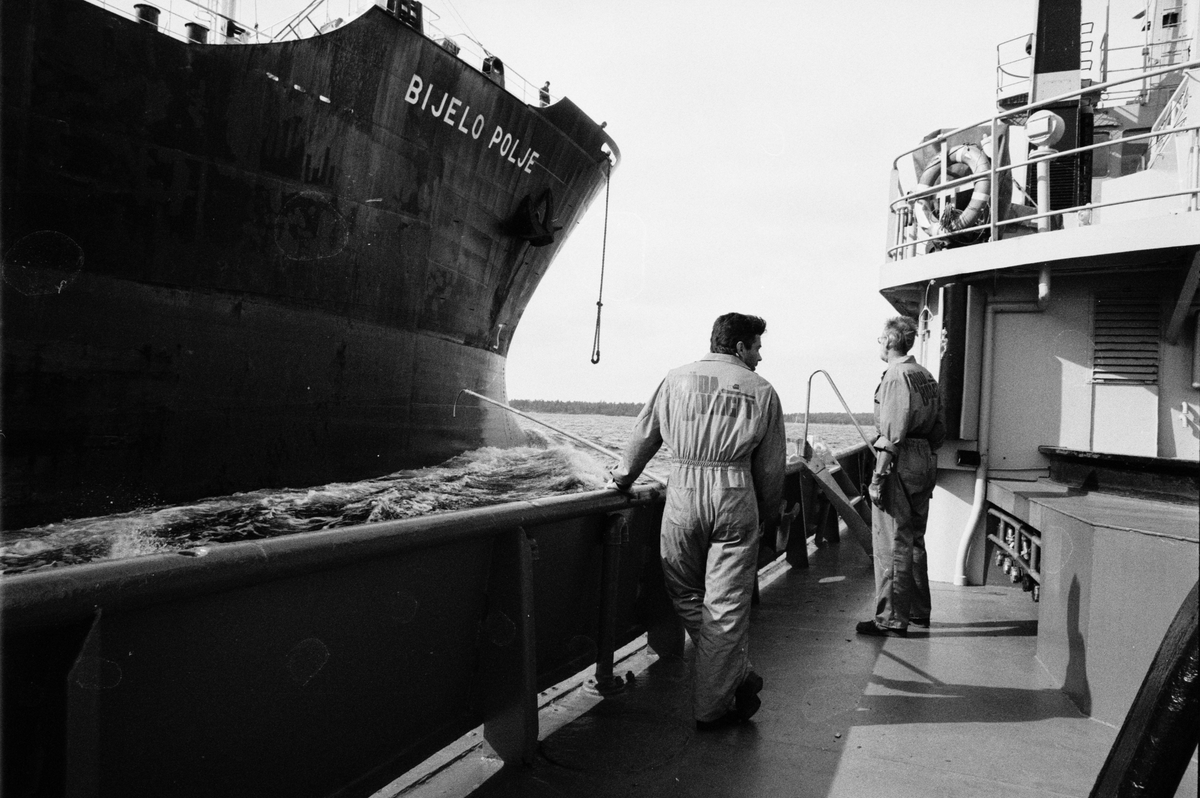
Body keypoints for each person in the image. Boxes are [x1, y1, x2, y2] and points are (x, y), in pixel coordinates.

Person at [610, 312, 787, 729]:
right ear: (740, 346)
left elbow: (644, 435)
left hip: (684, 492)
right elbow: (771, 468)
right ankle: (718, 699)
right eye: (757, 347)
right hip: (735, 495)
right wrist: (768, 516)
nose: (760, 356)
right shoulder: (762, 391)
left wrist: (622, 478)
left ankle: (732, 674)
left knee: (683, 589)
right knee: (725, 608)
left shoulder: (675, 379)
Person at [856, 315, 945, 638]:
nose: (879, 344)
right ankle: (919, 612)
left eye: (881, 339)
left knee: (894, 541)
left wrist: (878, 479)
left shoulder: (896, 376)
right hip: (925, 458)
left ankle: (892, 618)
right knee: (915, 539)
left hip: (901, 458)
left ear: (891, 342)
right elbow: (939, 429)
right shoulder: (925, 375)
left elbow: (891, 435)